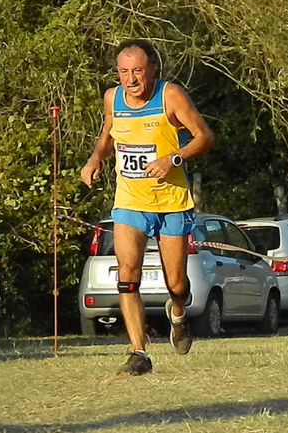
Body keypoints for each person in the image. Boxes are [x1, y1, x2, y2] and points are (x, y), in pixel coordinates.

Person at [80, 39, 214, 376]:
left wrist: (173, 158)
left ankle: (179, 314)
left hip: (171, 203)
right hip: (129, 202)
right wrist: (95, 158)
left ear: (152, 69)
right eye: (124, 72)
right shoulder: (113, 98)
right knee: (127, 276)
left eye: (137, 71)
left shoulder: (169, 96)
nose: (131, 79)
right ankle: (138, 352)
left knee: (177, 284)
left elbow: (204, 136)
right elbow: (108, 132)